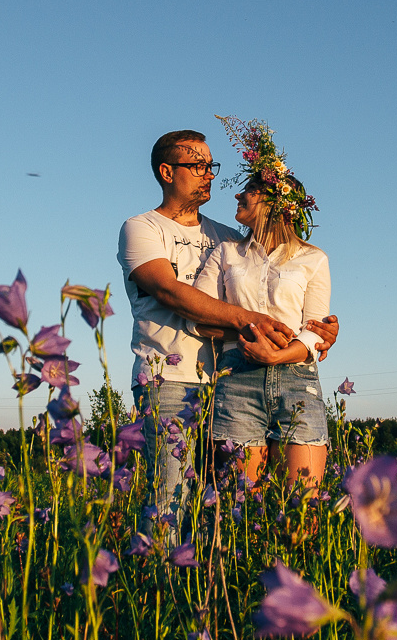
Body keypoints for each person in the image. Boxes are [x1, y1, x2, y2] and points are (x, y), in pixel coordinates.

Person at [117, 127, 337, 520]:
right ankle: (163, 578)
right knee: (172, 497)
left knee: (218, 506)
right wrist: (257, 322)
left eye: (210, 165)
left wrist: (312, 334)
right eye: (197, 165)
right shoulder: (143, 228)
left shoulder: (228, 237)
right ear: (168, 172)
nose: (210, 174)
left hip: (226, 379)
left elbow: (282, 297)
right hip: (170, 381)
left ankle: (206, 578)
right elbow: (169, 292)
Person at [194, 117, 331, 488]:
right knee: (235, 505)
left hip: (297, 379)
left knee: (304, 507)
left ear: (275, 202)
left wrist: (276, 356)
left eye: (249, 191)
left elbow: (316, 332)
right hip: (236, 376)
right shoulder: (226, 252)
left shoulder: (313, 258)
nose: (237, 196)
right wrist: (246, 330)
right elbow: (201, 317)